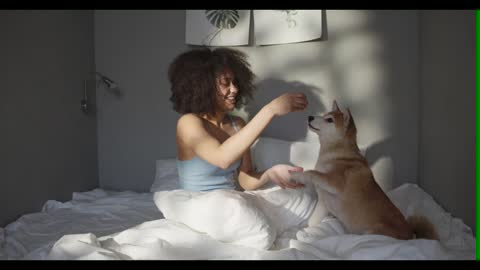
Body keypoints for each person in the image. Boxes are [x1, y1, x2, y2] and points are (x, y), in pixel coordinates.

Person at [168, 47, 308, 192]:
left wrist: (270, 174)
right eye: (225, 83)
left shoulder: (237, 124)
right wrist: (270, 110)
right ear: (203, 87)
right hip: (197, 204)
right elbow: (222, 159)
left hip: (228, 201)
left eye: (235, 82)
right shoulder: (188, 122)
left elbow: (244, 180)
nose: (234, 89)